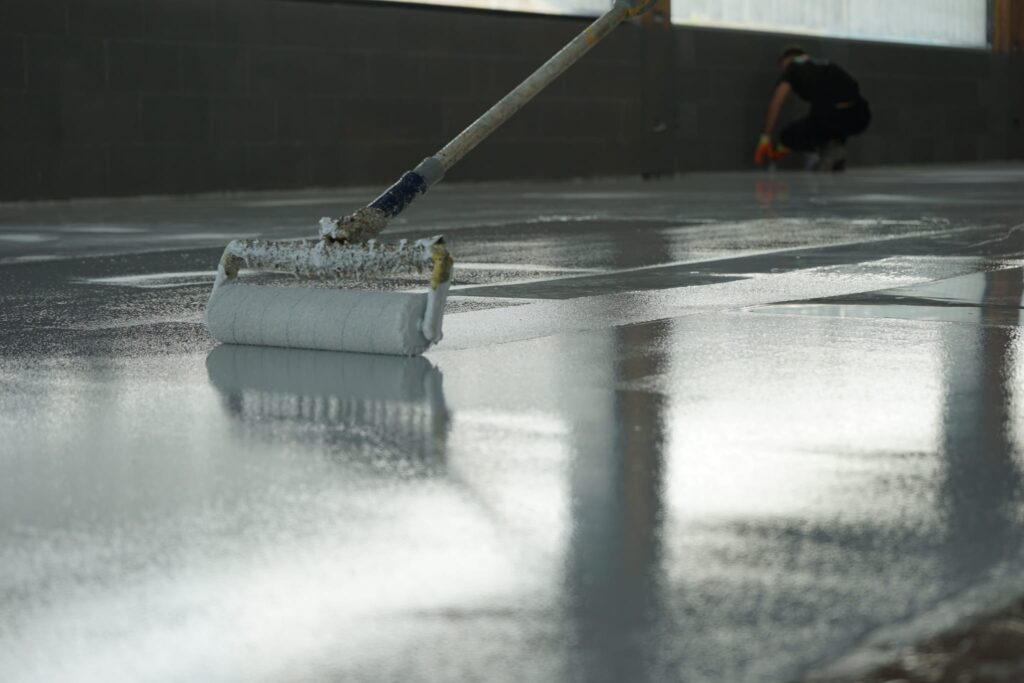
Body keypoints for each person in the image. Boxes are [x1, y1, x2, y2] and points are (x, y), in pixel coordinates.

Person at [754, 45, 871, 172]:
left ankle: (831, 150)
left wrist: (765, 136)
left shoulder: (793, 66)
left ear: (787, 61)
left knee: (788, 135)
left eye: (782, 67)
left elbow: (777, 101)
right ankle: (834, 155)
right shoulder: (826, 64)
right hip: (861, 116)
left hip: (831, 116)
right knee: (825, 117)